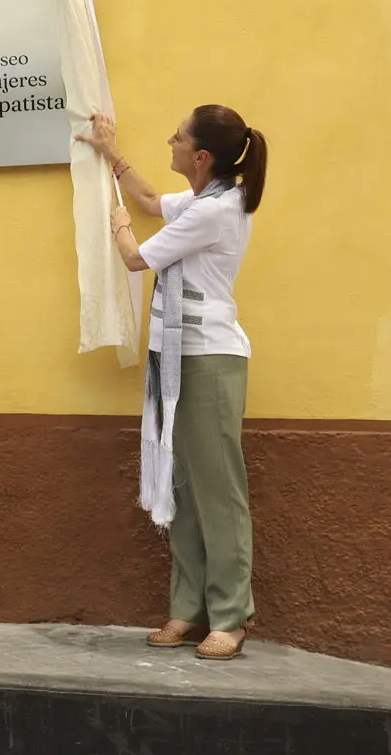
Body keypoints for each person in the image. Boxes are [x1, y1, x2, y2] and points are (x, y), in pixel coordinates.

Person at [76, 106, 270, 661]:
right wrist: (111, 152)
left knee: (218, 491)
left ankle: (230, 616)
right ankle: (188, 608)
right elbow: (148, 199)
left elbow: (136, 258)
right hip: (177, 357)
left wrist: (116, 224)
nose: (171, 140)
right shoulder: (205, 198)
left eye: (179, 137)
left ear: (200, 156)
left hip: (209, 359)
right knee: (182, 487)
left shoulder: (216, 210)